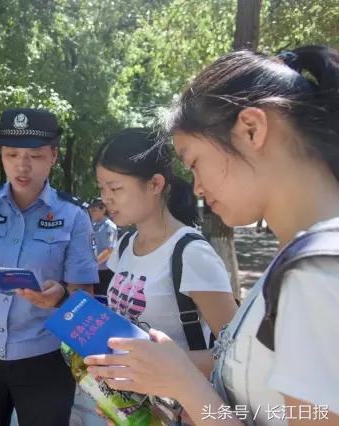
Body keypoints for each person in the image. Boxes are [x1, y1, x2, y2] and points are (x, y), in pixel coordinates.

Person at [85, 46, 339, 425]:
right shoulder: (301, 265)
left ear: (252, 129)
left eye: (195, 163)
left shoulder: (317, 274)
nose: (198, 188)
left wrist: (183, 382)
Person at [0, 108, 98, 426]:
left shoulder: (73, 216)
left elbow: (84, 300)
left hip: (45, 361)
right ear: (1, 155)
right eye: (12, 154)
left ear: (53, 155)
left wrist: (60, 298)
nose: (22, 165)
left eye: (35, 155)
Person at [94, 129, 237, 369]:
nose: (106, 198)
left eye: (116, 188)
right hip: (133, 400)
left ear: (155, 184)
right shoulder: (125, 246)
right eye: (101, 188)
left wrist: (159, 363)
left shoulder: (191, 254)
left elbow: (237, 354)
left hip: (183, 402)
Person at [88, 198, 118, 296]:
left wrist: (93, 264)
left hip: (105, 271)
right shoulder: (93, 225)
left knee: (102, 300)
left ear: (103, 209)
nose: (91, 212)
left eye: (94, 210)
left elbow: (109, 250)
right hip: (94, 270)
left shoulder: (109, 227)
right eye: (90, 210)